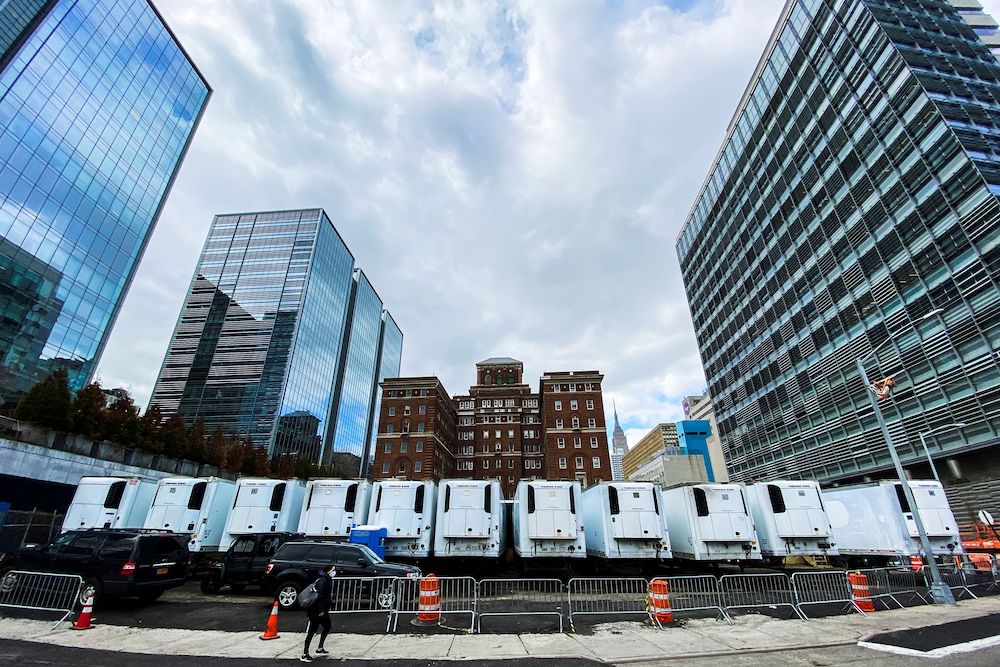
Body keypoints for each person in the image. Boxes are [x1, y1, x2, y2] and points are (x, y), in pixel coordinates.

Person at [301, 564, 334, 662]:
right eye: (333, 570)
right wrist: (321, 610)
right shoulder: (323, 581)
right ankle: (305, 654)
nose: (334, 572)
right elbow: (320, 597)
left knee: (327, 627)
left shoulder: (326, 580)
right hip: (316, 611)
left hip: (321, 610)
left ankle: (320, 648)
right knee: (312, 631)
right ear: (328, 571)